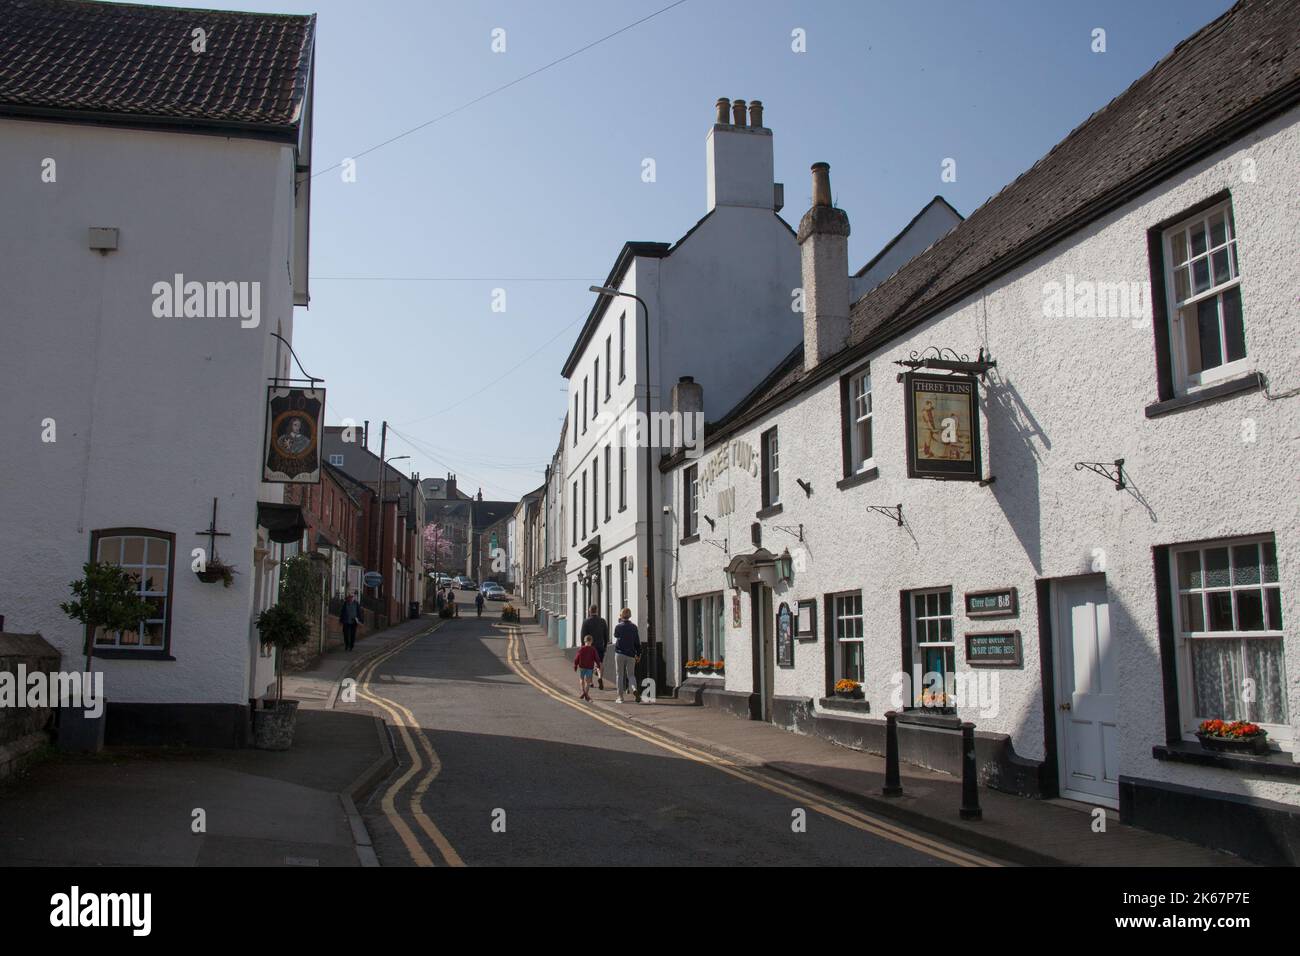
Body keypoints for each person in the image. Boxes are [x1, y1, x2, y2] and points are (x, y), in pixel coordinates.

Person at [612, 607, 640, 703]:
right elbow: (637, 642)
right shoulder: (634, 627)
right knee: (631, 675)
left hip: (619, 653)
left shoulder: (618, 626)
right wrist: (638, 654)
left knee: (619, 675)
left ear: (621, 615)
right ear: (630, 616)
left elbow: (615, 635)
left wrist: (619, 622)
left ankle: (620, 697)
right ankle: (634, 689)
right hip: (631, 654)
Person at [580, 605, 609, 690]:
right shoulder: (603, 621)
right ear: (597, 610)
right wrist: (605, 645)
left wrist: (583, 646)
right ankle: (600, 677)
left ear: (589, 611)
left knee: (589, 665)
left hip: (589, 647)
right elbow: (606, 635)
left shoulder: (586, 622)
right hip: (600, 646)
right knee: (599, 663)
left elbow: (583, 636)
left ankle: (591, 682)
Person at [573, 635, 601, 702]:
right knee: (588, 681)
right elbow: (597, 658)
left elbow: (577, 658)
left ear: (584, 641)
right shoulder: (593, 649)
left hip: (582, 667)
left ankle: (583, 693)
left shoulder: (581, 649)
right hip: (589, 667)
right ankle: (586, 694)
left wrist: (575, 665)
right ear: (591, 641)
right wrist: (598, 665)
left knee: (581, 679)